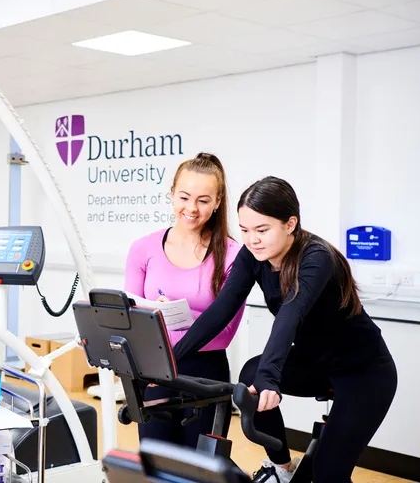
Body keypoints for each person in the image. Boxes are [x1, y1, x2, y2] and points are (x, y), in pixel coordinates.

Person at [173, 176, 398, 483]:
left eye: (262, 230)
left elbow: (291, 314)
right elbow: (220, 311)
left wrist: (270, 378)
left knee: (328, 472)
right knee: (251, 373)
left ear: (290, 224)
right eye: (246, 230)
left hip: (363, 372)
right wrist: (171, 357)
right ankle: (282, 468)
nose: (253, 240)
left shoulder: (316, 257)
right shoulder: (252, 256)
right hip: (317, 365)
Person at [124, 152, 245, 449]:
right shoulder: (143, 248)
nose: (191, 208)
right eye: (184, 197)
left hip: (205, 375)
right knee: (155, 464)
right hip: (155, 372)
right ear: (172, 195)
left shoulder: (233, 255)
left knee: (201, 467)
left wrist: (173, 320)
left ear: (218, 202)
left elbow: (225, 333)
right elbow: (129, 316)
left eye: (203, 200)